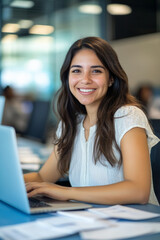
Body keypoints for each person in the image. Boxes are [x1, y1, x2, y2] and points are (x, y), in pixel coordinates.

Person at [25, 36, 159, 205]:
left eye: (96, 71)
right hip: (87, 220)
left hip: (132, 224)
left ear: (111, 78)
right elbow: (43, 176)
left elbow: (138, 191)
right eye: (76, 71)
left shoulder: (128, 116)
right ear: (67, 78)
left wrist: (66, 192)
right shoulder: (71, 124)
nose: (85, 79)